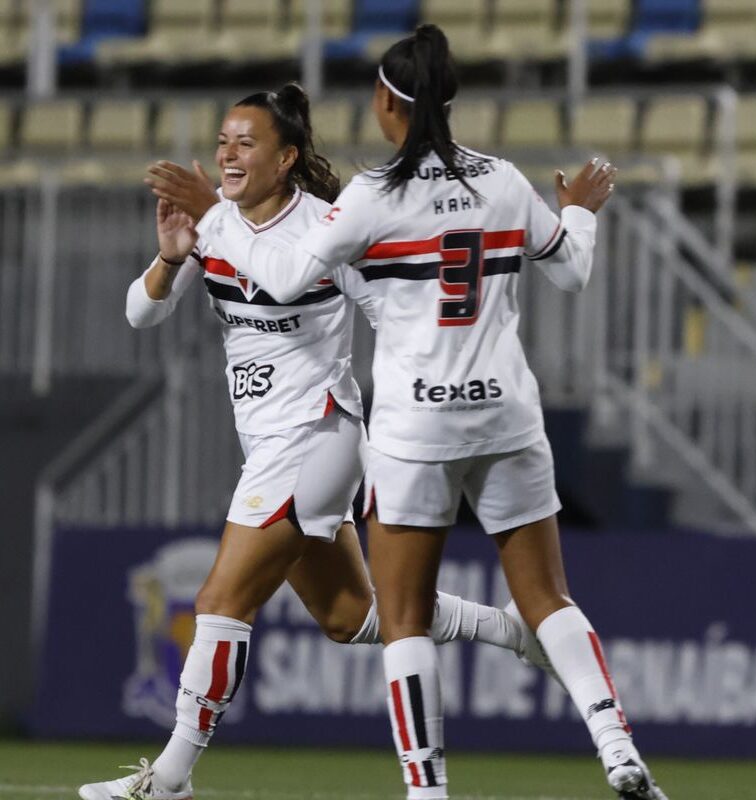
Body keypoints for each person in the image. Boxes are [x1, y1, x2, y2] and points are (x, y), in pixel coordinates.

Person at [147, 25, 668, 800]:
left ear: (389, 103)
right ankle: (618, 748)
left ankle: (426, 791)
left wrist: (214, 219)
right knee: (548, 596)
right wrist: (580, 211)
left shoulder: (372, 194)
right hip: (506, 415)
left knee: (403, 617)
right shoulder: (500, 180)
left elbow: (285, 277)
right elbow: (574, 272)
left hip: (415, 426)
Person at [80, 83, 540, 800]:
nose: (229, 155)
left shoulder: (328, 228)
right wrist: (171, 257)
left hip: (319, 432)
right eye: (224, 141)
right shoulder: (215, 225)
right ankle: (513, 630)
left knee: (220, 597)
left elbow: (391, 311)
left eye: (247, 143)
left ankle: (169, 777)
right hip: (266, 443)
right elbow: (141, 314)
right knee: (349, 617)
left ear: (286, 156)